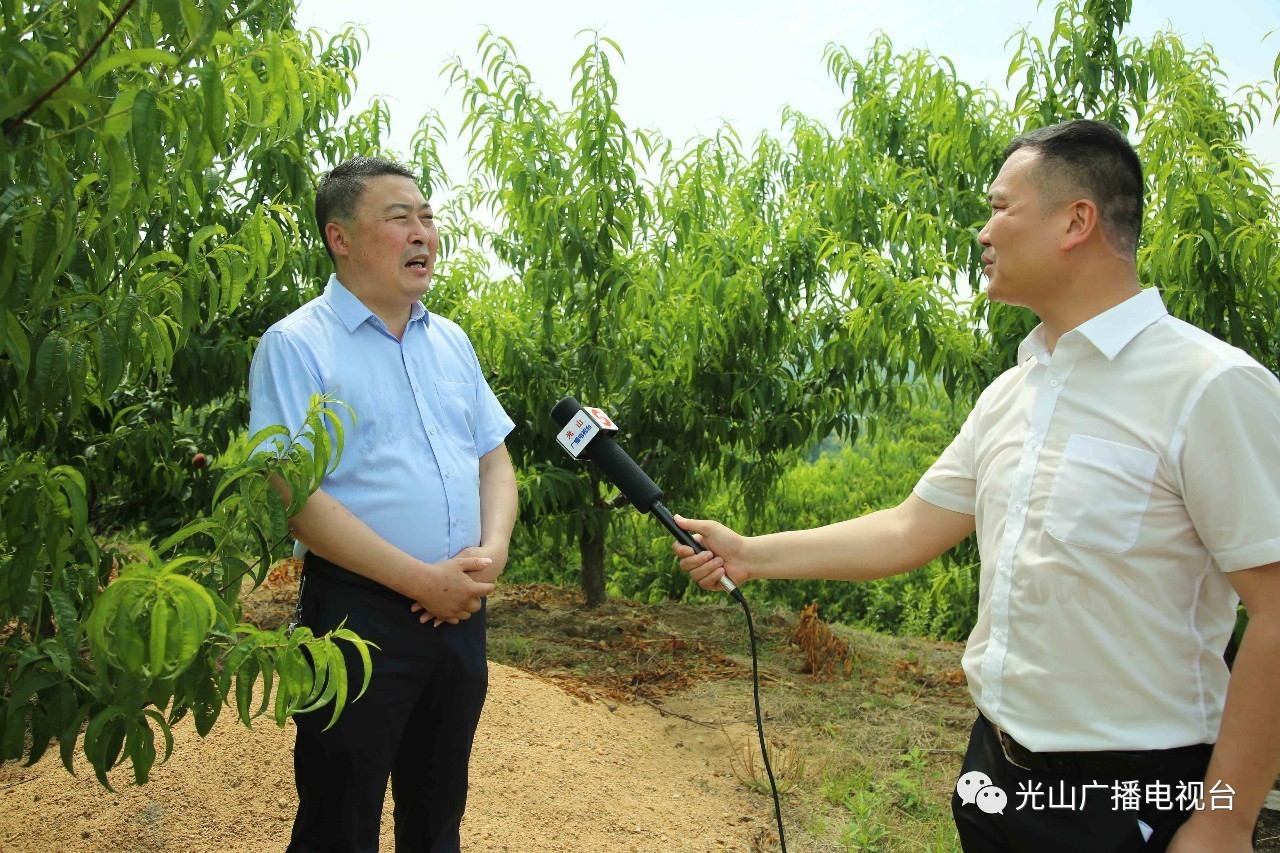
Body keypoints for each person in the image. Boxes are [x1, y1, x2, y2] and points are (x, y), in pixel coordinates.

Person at [672, 120, 1280, 852]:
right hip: (996, 775)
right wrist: (748, 553)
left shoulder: (1210, 385)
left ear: (1076, 220)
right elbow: (909, 527)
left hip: (1138, 798)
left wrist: (1224, 818)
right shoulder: (1014, 393)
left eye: (1000, 207)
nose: (984, 230)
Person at [248, 156, 518, 852]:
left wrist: (488, 559)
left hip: (460, 613)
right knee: (340, 819)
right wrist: (419, 579)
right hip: (356, 619)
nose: (423, 233)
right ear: (341, 238)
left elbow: (494, 459)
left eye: (427, 216)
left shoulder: (450, 340)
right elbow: (295, 497)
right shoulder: (297, 345)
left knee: (437, 815)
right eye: (400, 218)